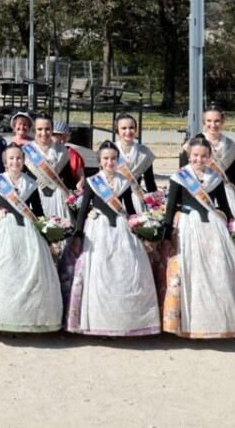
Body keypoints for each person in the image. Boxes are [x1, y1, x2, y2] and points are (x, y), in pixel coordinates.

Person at [160, 136, 235, 338]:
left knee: (219, 268)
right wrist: (165, 234)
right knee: (193, 273)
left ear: (209, 157)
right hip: (189, 228)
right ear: (188, 156)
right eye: (195, 155)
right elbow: (171, 208)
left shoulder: (215, 178)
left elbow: (223, 207)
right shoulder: (179, 177)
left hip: (214, 227)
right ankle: (194, 322)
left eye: (204, 156)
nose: (199, 159)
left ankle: (220, 321)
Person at [63, 141, 160, 337]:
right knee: (99, 274)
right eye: (106, 159)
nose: (110, 162)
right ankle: (99, 322)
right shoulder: (93, 182)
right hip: (98, 231)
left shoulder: (124, 182)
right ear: (100, 161)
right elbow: (82, 211)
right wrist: (78, 236)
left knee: (124, 272)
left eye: (114, 159)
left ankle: (122, 321)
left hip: (122, 231)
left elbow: (131, 210)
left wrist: (141, 225)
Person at [0, 145, 61, 333]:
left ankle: (25, 319)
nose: (15, 162)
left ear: (24, 161)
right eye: (11, 158)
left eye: (19, 158)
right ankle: (3, 320)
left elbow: (38, 212)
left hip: (27, 233)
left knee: (27, 272)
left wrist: (50, 236)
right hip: (2, 233)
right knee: (3, 273)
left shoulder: (31, 184)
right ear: (5, 162)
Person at [179, 105, 235, 306]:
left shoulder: (230, 146)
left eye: (217, 121)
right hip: (197, 196)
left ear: (223, 122)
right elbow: (182, 174)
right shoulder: (192, 144)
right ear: (203, 122)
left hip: (225, 195)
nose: (213, 125)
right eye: (209, 121)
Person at [22, 113, 78, 217]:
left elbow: (68, 178)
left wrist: (73, 195)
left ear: (52, 130)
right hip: (34, 198)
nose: (44, 133)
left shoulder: (62, 151)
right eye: (39, 129)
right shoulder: (27, 151)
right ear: (34, 130)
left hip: (58, 200)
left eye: (47, 129)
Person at [113, 113, 158, 210]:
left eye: (131, 128)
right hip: (115, 197)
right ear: (117, 130)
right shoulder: (110, 150)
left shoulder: (144, 153)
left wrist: (156, 203)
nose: (128, 131)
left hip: (136, 198)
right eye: (124, 128)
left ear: (136, 129)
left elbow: (149, 181)